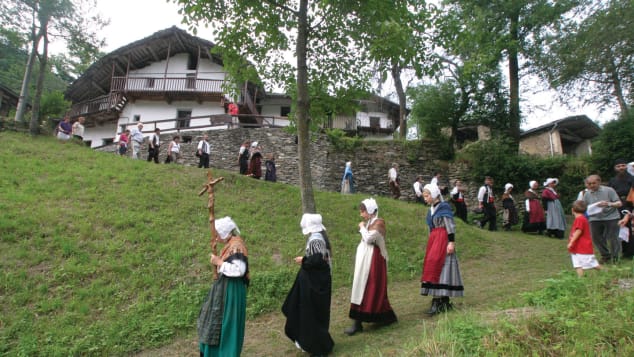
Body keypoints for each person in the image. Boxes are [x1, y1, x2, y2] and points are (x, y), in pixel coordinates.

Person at [282, 214, 334, 356]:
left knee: (311, 313)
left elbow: (316, 261)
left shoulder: (315, 240)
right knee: (315, 313)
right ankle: (319, 344)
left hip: (314, 283)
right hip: (316, 281)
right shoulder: (321, 236)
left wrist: (303, 260)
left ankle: (317, 346)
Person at [197, 217, 249, 357]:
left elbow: (239, 270)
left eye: (217, 234)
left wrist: (219, 262)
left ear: (225, 232)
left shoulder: (236, 246)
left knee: (227, 324)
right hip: (225, 288)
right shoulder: (231, 243)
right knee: (215, 320)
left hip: (231, 291)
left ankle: (225, 353)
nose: (215, 237)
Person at [345, 198, 397, 336]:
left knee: (370, 287)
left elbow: (369, 238)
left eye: (363, 211)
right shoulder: (370, 222)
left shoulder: (379, 223)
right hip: (365, 259)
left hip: (374, 261)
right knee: (360, 286)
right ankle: (361, 320)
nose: (361, 214)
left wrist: (362, 227)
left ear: (370, 211)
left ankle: (365, 320)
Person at [420, 184, 464, 315]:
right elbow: (431, 228)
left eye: (427, 196)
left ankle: (439, 301)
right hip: (435, 240)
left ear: (434, 195)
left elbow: (450, 226)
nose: (425, 199)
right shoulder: (431, 210)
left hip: (444, 239)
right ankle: (442, 301)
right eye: (424, 196)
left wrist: (451, 242)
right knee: (434, 266)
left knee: (443, 268)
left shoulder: (444, 208)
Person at [582, 174, 622, 264]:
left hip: (611, 217)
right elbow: (584, 206)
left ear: (599, 182)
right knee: (596, 237)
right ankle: (605, 255)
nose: (591, 185)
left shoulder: (609, 190)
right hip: (595, 218)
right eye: (589, 184)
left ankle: (615, 257)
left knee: (613, 237)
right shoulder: (587, 194)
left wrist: (608, 204)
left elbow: (619, 203)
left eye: (594, 183)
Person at [608, 158, 634, 258]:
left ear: (626, 166)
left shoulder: (632, 179)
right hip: (617, 204)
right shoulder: (613, 180)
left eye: (623, 165)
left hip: (629, 204)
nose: (621, 168)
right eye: (618, 166)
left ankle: (630, 252)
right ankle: (620, 250)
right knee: (618, 228)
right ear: (615, 168)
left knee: (628, 228)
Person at [568, 200, 602, 277]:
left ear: (572, 210)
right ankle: (581, 279)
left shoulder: (580, 219)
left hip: (582, 248)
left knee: (594, 264)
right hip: (577, 248)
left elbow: (578, 231)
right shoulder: (582, 218)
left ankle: (608, 273)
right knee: (577, 265)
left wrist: (571, 242)